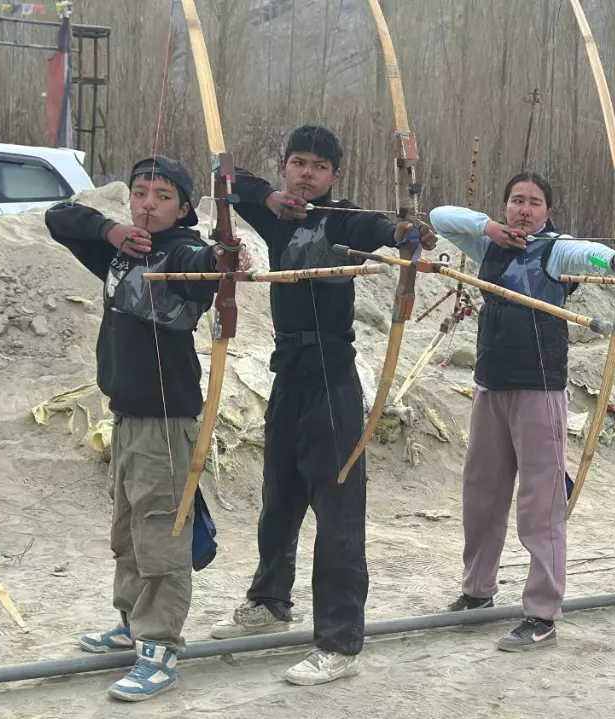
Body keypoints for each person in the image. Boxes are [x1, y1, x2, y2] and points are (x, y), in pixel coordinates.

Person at [206, 125, 435, 686]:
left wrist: (406, 229)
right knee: (278, 495)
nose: (306, 174)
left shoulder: (341, 219)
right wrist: (267, 199)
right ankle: (268, 600)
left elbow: (379, 226)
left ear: (335, 178)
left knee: (337, 514)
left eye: (318, 168)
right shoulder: (277, 213)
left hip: (332, 377)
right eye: (298, 164)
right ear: (285, 168)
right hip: (287, 374)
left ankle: (339, 641)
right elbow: (227, 180)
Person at [46, 156, 246, 701]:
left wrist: (224, 256)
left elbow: (203, 261)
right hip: (127, 415)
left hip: (166, 420)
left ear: (183, 208)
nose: (147, 203)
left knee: (161, 534)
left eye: (162, 196)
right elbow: (58, 218)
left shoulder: (181, 251)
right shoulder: (121, 246)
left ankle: (159, 648)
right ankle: (131, 622)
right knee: (130, 529)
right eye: (140, 192)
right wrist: (110, 230)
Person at [430, 172, 615, 651]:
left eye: (534, 203)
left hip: (540, 391)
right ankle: (477, 591)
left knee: (540, 504)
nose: (524, 210)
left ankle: (542, 613)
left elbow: (593, 255)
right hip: (490, 386)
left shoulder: (556, 249)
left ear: (548, 211)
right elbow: (438, 217)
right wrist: (489, 228)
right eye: (516, 201)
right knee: (481, 495)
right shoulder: (487, 245)